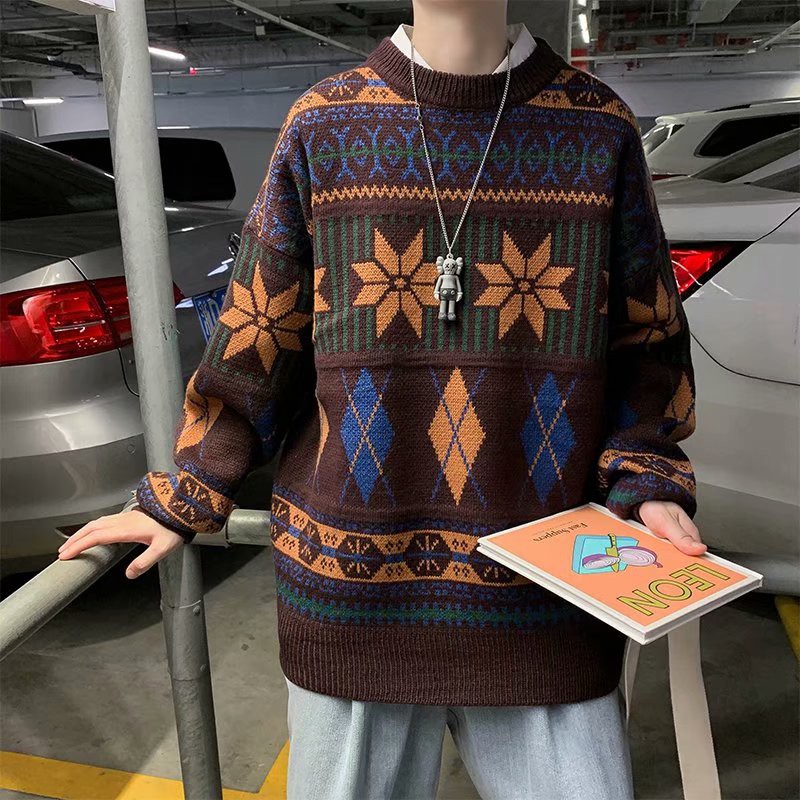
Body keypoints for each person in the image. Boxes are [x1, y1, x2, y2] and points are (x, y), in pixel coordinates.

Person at [59, 1, 705, 798]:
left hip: (549, 593)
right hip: (351, 592)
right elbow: (259, 335)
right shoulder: (324, 125)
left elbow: (647, 339)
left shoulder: (597, 128)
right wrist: (192, 488)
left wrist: (647, 476)